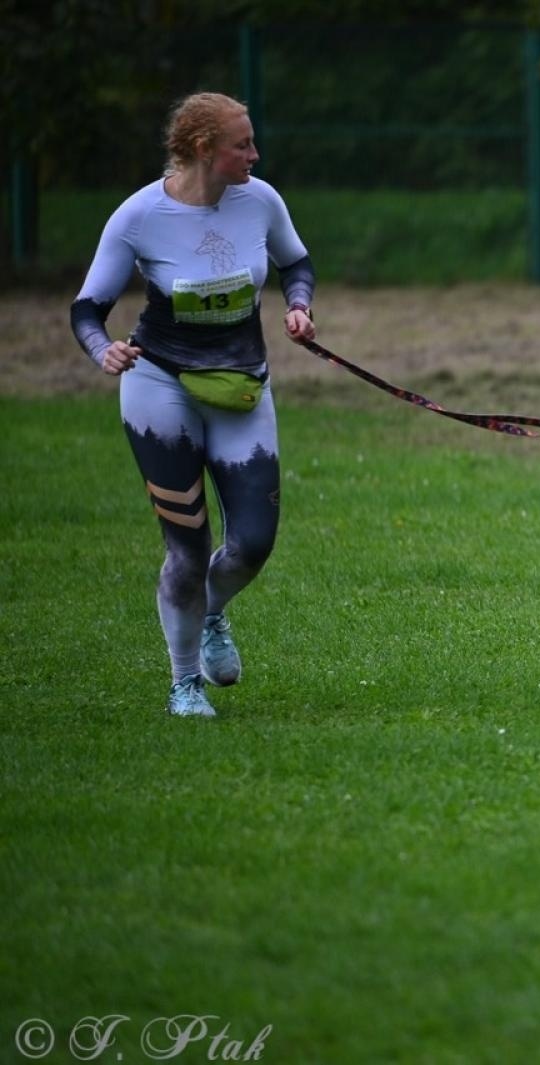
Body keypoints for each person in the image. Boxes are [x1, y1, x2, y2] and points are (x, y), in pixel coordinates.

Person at [70, 92, 317, 718]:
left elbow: (297, 263)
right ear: (205, 149)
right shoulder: (139, 215)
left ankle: (211, 613)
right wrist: (103, 351)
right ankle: (184, 683)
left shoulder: (261, 200)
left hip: (240, 388)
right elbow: (87, 309)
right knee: (186, 546)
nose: (255, 155)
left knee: (253, 542)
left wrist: (299, 306)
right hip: (160, 388)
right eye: (243, 144)